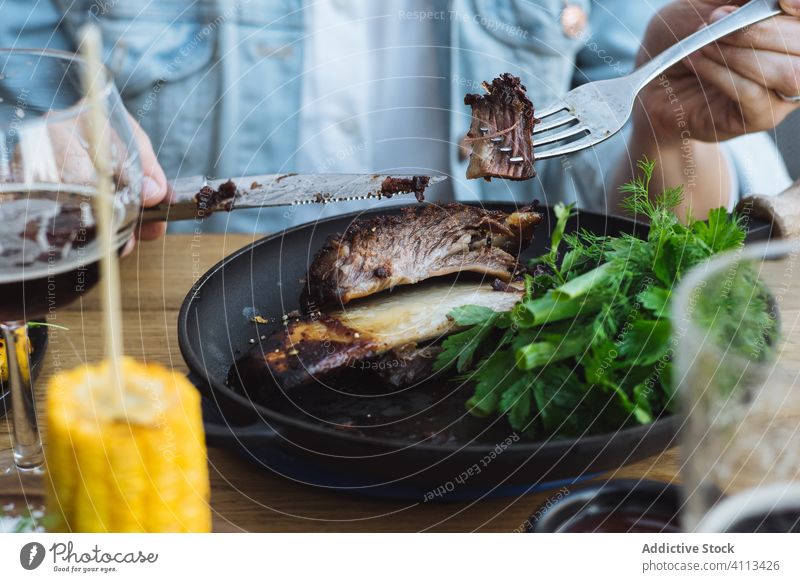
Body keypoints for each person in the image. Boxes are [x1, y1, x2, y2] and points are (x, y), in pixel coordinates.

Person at [2, 0, 798, 240]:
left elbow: (678, 240)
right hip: (189, 380)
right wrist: (34, 158)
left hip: (492, 411)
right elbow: (18, 133)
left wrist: (667, 127)